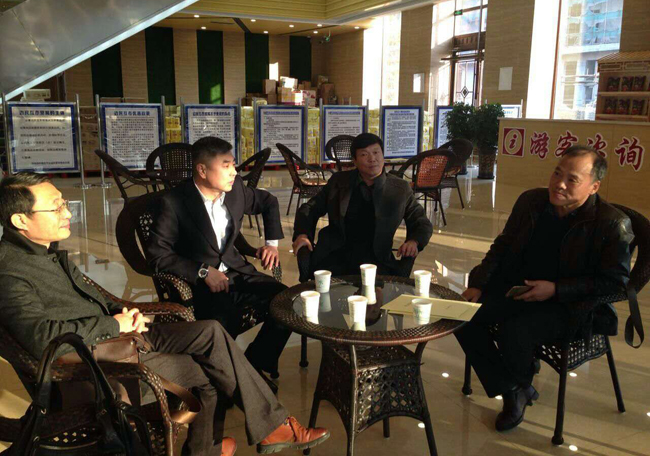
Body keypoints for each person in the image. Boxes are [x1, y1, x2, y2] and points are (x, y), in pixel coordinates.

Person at [0, 173, 330, 456]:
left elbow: (93, 298)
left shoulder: (45, 253)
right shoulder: (10, 271)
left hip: (120, 335)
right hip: (95, 359)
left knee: (211, 332)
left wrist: (123, 312)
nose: (67, 212)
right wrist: (112, 323)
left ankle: (255, 432)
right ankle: (230, 441)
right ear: (20, 220)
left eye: (63, 203)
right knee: (209, 373)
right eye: (56, 207)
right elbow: (42, 339)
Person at [455, 145, 634, 432]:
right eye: (557, 173)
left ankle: (514, 396)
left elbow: (615, 283)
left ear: (594, 186)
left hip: (569, 305)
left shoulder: (611, 223)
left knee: (516, 329)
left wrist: (556, 289)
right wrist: (478, 283)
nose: (559, 184)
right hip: (519, 290)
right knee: (459, 315)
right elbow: (502, 245)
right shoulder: (532, 202)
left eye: (572, 179)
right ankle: (514, 386)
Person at [146, 136, 290, 381]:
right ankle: (223, 378)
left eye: (233, 164)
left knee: (286, 302)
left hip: (237, 271)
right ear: (202, 170)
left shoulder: (236, 190)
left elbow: (269, 202)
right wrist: (202, 271)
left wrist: (271, 245)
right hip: (200, 284)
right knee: (222, 321)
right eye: (226, 166)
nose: (234, 172)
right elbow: (157, 255)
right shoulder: (174, 202)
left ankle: (254, 365)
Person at [292, 133, 433, 278]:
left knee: (375, 290)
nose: (372, 159)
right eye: (364, 154)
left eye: (376, 152)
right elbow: (310, 208)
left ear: (383, 155)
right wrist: (302, 234)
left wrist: (414, 241)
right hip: (335, 255)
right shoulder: (339, 182)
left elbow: (421, 222)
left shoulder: (399, 189)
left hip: (377, 260)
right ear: (355, 160)